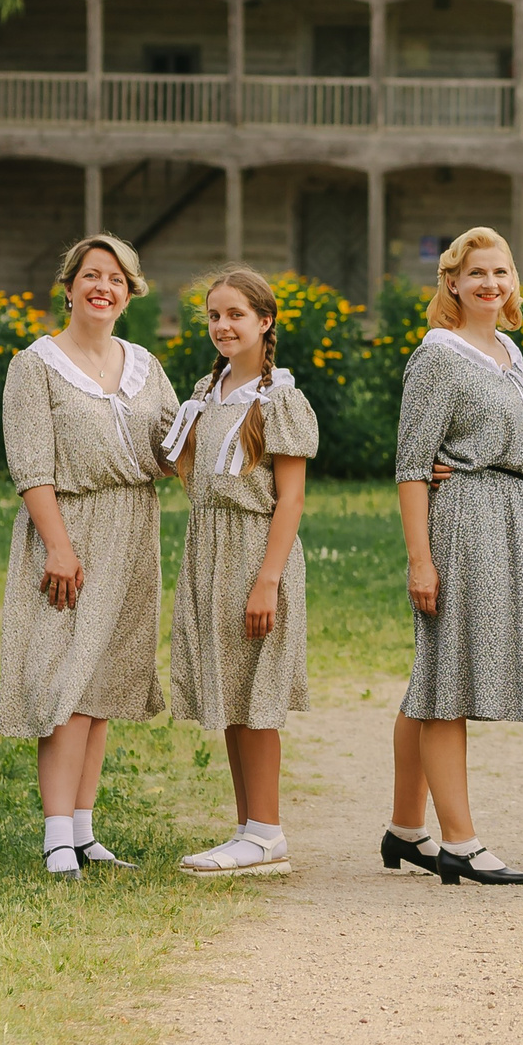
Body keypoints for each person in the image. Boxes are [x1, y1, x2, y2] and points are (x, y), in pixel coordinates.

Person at [0, 233, 182, 879]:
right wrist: (57, 545)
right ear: (69, 285)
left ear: (130, 292)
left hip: (133, 528)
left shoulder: (144, 364)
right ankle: (54, 835)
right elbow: (31, 463)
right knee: (64, 680)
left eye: (116, 278)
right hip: (70, 527)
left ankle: (82, 830)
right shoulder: (36, 364)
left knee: (102, 683)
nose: (102, 287)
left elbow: (172, 446)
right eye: (91, 275)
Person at [388, 227, 523, 887]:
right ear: (451, 281)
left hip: (509, 516)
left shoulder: (508, 351)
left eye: (502, 271)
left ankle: (404, 827)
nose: (491, 283)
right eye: (477, 272)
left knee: (430, 676)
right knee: (447, 680)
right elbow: (410, 464)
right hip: (462, 522)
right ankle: (459, 840)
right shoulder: (439, 357)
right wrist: (420, 558)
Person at [167, 266, 317, 879]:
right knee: (229, 693)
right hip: (209, 550)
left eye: (236, 315)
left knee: (256, 695)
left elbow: (292, 499)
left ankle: (269, 832)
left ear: (265, 321)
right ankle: (247, 828)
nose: (223, 326)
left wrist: (267, 579)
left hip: (257, 550)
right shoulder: (207, 392)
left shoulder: (279, 398)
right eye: (214, 316)